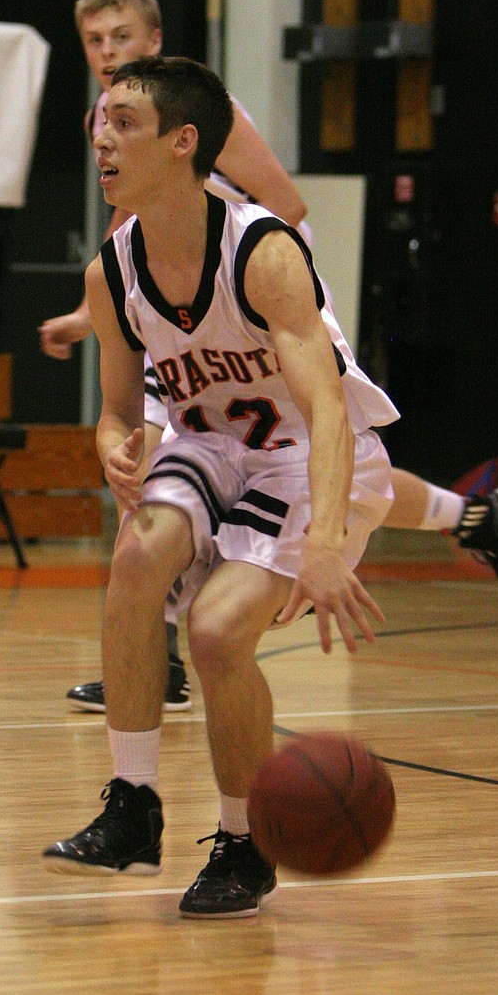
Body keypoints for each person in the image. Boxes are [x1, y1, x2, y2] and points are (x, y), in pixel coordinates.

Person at [41, 0, 498, 715]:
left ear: (154, 41)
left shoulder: (201, 114)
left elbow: (288, 203)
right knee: (188, 458)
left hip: (257, 292)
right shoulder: (112, 124)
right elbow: (136, 254)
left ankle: (163, 653)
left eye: (121, 36)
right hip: (189, 309)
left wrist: (233, 282)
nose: (107, 51)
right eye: (94, 41)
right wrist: (94, 315)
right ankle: (482, 521)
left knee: (304, 447)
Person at [42, 56, 402, 917]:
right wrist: (111, 448)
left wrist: (321, 548)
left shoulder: (262, 251)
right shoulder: (113, 270)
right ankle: (133, 805)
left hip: (303, 458)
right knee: (137, 557)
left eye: (124, 122)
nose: (102, 137)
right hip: (209, 443)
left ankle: (245, 843)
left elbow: (325, 410)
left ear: (183, 142)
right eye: (100, 120)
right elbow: (118, 411)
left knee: (214, 633)